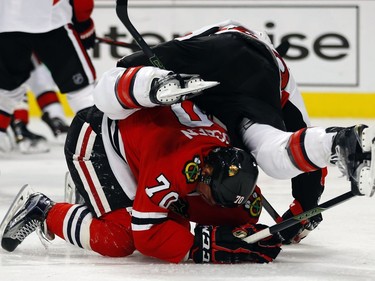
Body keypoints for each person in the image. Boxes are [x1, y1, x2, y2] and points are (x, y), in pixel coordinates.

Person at [113, 19, 374, 243]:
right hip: (241, 72)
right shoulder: (281, 79)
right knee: (273, 151)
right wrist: (304, 210)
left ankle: (109, 148)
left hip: (217, 60)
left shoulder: (232, 47)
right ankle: (340, 139)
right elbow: (301, 140)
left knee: (127, 72)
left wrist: (136, 70)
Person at [0, 69, 282, 264]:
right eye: (211, 193)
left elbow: (240, 217)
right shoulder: (176, 166)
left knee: (178, 223)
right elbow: (148, 237)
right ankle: (43, 210)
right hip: (98, 139)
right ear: (204, 170)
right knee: (121, 239)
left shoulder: (227, 171)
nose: (214, 203)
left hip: (140, 148)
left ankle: (90, 199)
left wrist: (277, 232)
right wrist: (203, 248)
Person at [0, 0, 96, 155]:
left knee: (6, 90)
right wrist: (83, 22)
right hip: (51, 20)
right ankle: (100, 143)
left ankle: (50, 117)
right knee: (81, 90)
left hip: (6, 23)